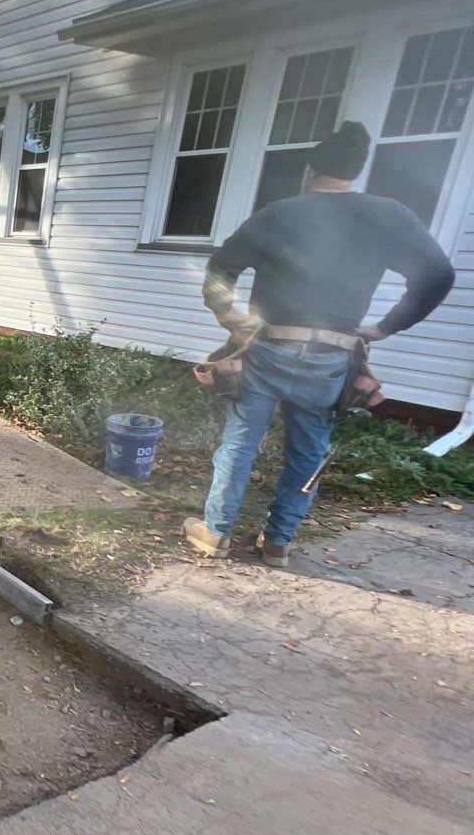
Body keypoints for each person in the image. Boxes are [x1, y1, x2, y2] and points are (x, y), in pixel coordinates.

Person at [184, 121, 455, 567]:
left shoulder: (280, 212)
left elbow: (221, 267)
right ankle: (278, 542)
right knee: (309, 450)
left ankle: (215, 533)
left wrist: (225, 312)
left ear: (310, 169)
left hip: (268, 349)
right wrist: (387, 327)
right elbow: (437, 275)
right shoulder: (388, 215)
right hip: (330, 358)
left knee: (239, 444)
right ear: (355, 172)